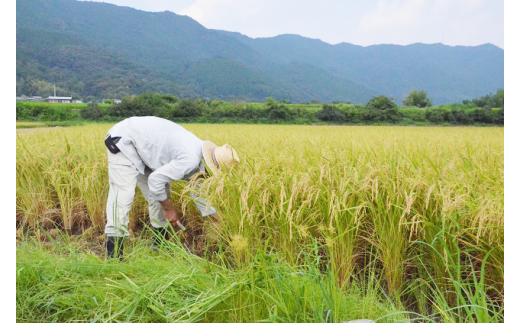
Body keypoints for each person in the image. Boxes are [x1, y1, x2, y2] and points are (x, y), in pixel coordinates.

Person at [104, 116, 239, 260]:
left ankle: (159, 247)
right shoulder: (190, 159)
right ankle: (114, 258)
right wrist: (168, 209)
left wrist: (218, 219)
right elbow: (156, 179)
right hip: (124, 140)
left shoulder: (200, 158)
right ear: (210, 166)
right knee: (122, 195)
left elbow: (196, 191)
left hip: (145, 150)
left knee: (160, 196)